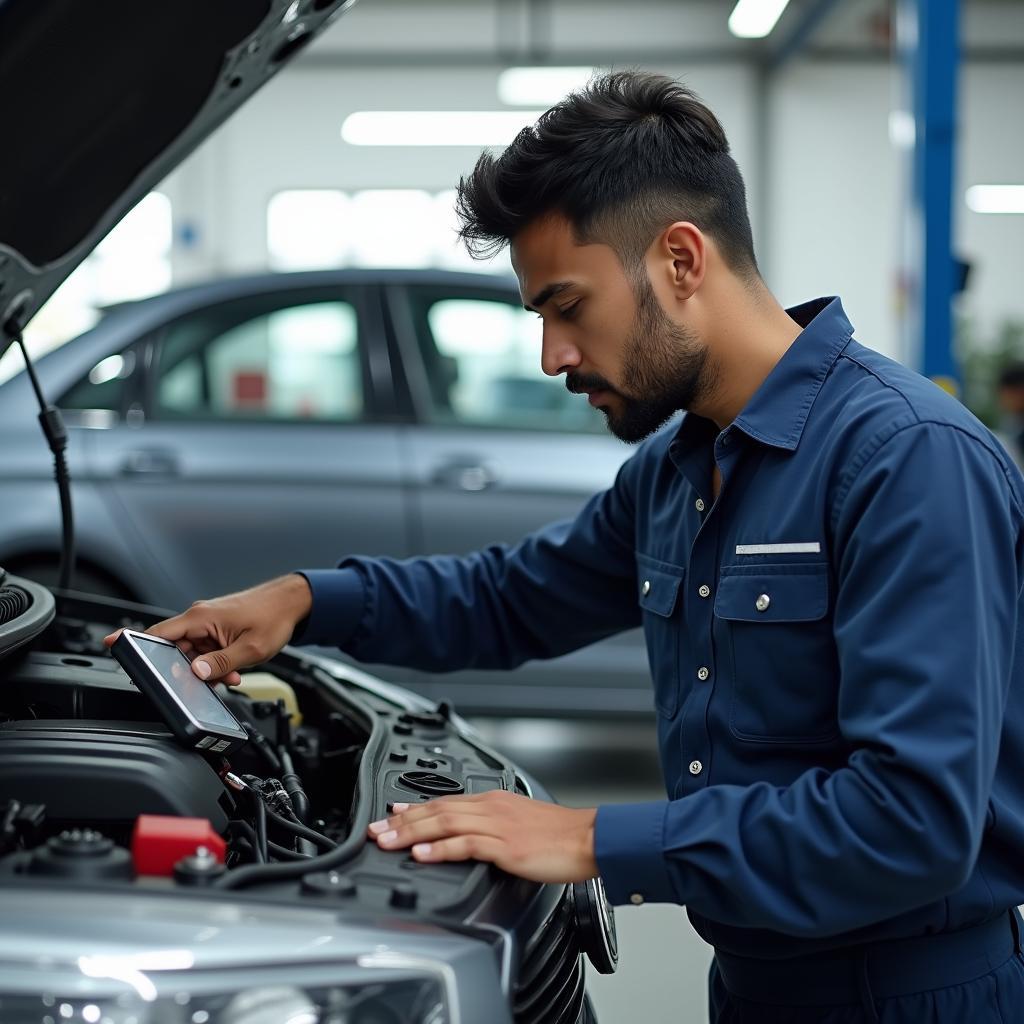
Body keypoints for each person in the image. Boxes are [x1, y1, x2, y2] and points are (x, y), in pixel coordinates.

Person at [105, 72, 1024, 1022]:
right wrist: (305, 600)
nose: (552, 356)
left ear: (679, 259)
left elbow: (913, 823)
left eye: (568, 306)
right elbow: (511, 597)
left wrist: (589, 837)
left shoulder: (906, 461)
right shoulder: (677, 468)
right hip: (757, 986)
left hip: (914, 995)